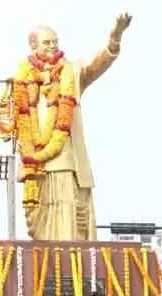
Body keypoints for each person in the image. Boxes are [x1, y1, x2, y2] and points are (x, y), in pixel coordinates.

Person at [16, 15, 131, 240]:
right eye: (47, 42)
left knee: (69, 231)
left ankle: (70, 270)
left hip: (67, 161)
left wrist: (115, 36)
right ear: (33, 46)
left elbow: (97, 64)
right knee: (43, 233)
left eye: (55, 41)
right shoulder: (20, 80)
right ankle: (47, 272)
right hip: (36, 168)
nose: (53, 46)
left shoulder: (72, 73)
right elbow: (5, 119)